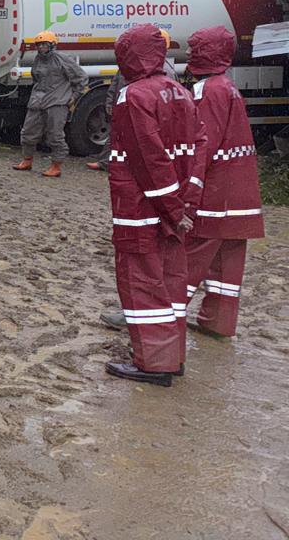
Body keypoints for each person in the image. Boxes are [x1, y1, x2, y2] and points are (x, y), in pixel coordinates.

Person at [104, 24, 204, 387]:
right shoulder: (180, 91)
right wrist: (183, 206)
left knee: (141, 283)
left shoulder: (133, 96)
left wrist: (173, 209)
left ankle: (153, 363)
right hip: (172, 208)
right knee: (170, 281)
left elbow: (149, 160)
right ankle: (171, 356)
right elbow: (197, 149)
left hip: (141, 208)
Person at [183, 25, 264, 338]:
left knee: (188, 259)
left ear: (206, 52)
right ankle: (218, 322)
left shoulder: (207, 90)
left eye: (194, 48)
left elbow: (203, 144)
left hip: (217, 194)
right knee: (227, 265)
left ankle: (159, 318)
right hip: (241, 194)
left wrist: (189, 190)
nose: (189, 54)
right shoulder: (228, 87)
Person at [87, 33, 179, 172]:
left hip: (136, 108)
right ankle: (107, 162)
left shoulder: (165, 71)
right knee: (116, 134)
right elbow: (115, 84)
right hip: (123, 105)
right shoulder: (130, 62)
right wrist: (110, 102)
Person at [14, 31, 87, 178]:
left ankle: (56, 166)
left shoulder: (62, 59)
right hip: (37, 101)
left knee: (55, 135)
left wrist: (73, 97)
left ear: (52, 45)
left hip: (57, 103)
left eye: (44, 44)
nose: (41, 47)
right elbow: (36, 78)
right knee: (28, 132)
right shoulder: (38, 59)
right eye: (39, 45)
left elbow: (81, 78)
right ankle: (27, 160)